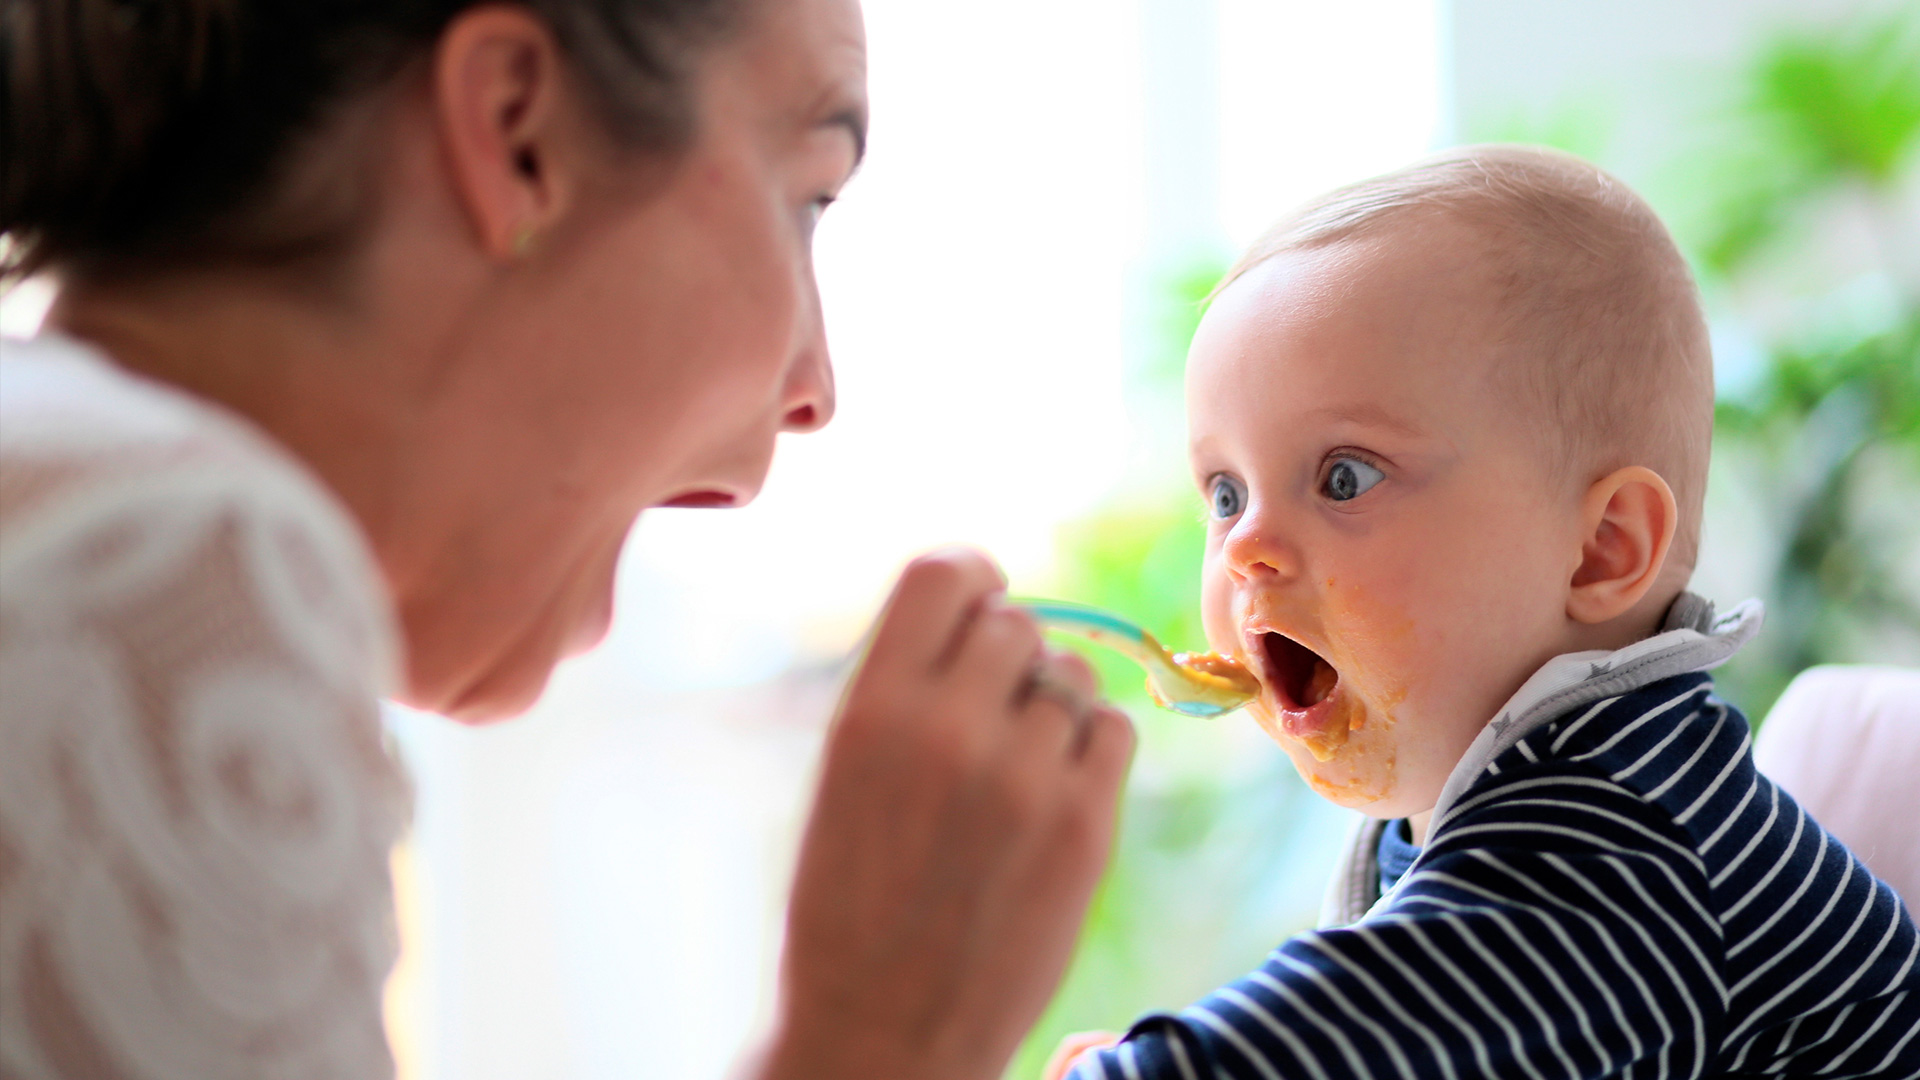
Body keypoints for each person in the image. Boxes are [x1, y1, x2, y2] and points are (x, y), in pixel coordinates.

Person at [0, 1, 1136, 1077]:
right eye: (806, 197)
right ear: (515, 129)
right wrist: (874, 1043)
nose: (814, 388)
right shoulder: (161, 560)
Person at [1051, 146, 1920, 1079]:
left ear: (1602, 549)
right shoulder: (1485, 797)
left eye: (1344, 477)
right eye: (1224, 494)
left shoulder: (1613, 845)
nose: (1243, 548)